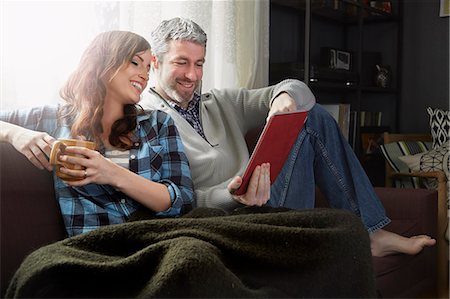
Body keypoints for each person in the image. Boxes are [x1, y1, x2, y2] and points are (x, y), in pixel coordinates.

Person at [140, 17, 435, 257]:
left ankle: (371, 232)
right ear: (155, 61)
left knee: (312, 114)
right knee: (311, 118)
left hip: (268, 202)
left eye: (199, 63)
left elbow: (298, 89)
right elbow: (175, 200)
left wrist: (282, 97)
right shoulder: (150, 120)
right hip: (227, 220)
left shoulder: (218, 102)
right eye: (181, 62)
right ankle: (357, 235)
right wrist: (230, 195)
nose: (192, 74)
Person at [0, 31, 194, 237]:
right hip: (93, 249)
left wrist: (110, 172)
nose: (145, 76)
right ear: (104, 62)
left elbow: (184, 200)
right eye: (136, 63)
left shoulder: (158, 123)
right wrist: (15, 134)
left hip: (158, 239)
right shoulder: (54, 119)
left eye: (148, 68)